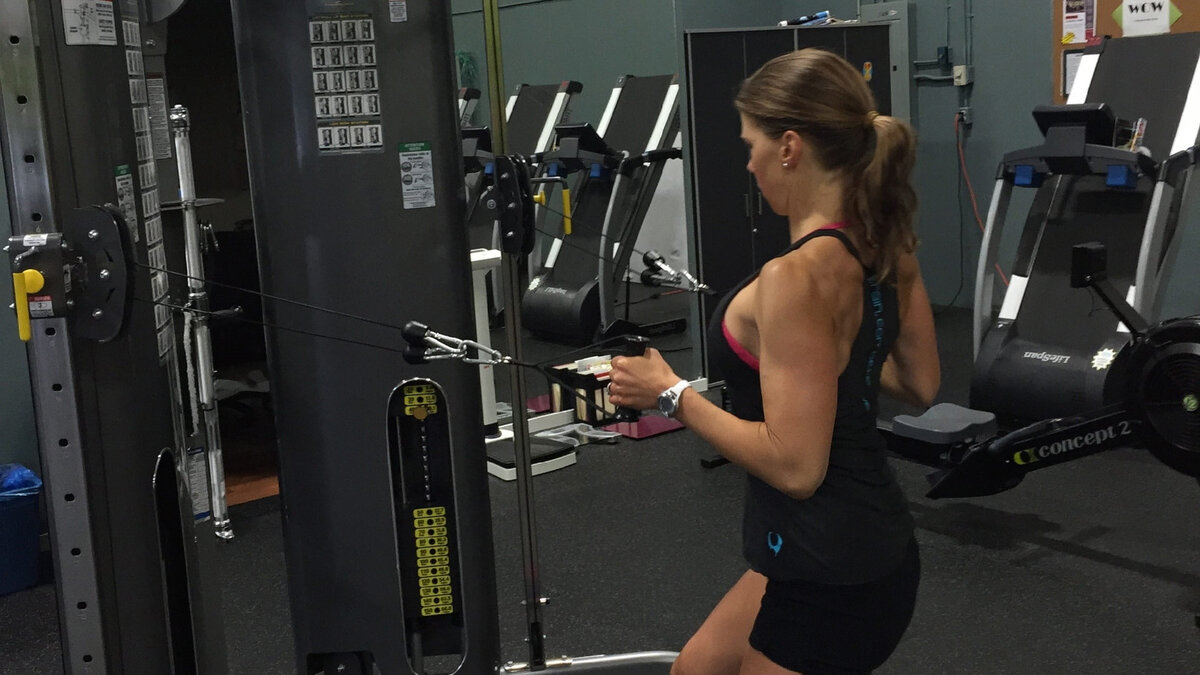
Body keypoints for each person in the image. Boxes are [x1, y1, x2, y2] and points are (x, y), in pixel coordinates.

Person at [608, 48, 940, 675]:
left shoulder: (793, 278)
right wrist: (828, 357)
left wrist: (670, 393)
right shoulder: (884, 249)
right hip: (861, 547)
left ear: (789, 147)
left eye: (751, 145)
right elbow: (921, 383)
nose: (749, 163)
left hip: (831, 578)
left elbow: (795, 467)